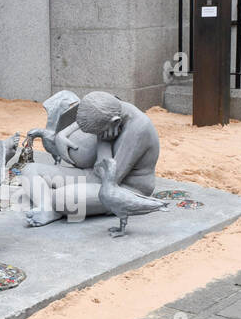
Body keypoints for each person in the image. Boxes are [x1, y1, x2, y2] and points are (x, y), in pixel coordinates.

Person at [20, 91, 160, 227]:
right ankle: (47, 207)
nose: (97, 136)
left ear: (115, 122)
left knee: (62, 198)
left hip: (122, 188)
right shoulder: (113, 106)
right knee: (30, 169)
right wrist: (62, 134)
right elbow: (83, 120)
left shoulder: (139, 129)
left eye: (97, 133)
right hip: (93, 174)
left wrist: (104, 142)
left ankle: (53, 204)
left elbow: (109, 179)